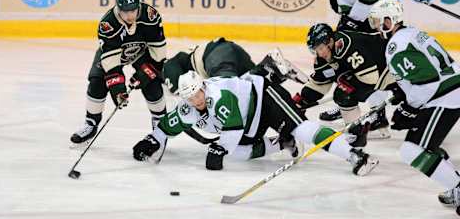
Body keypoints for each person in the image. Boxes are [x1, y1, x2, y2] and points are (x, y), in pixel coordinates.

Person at [132, 70, 379, 176]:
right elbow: (167, 126)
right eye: (189, 97)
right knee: (237, 154)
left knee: (301, 128)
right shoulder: (189, 106)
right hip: (248, 117)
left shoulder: (219, 97)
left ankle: (356, 156)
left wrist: (219, 147)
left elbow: (233, 128)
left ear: (203, 87)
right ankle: (282, 143)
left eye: (197, 93)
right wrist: (152, 139)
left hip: (264, 96)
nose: (195, 100)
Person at [369, 0, 460, 215]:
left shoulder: (395, 46)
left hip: (445, 97)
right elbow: (421, 74)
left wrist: (409, 108)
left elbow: (427, 80)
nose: (378, 27)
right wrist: (403, 93)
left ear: (391, 20)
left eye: (380, 21)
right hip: (447, 91)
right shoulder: (411, 33)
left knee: (412, 150)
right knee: (423, 145)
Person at [70, 0, 167, 144]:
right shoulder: (107, 24)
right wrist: (118, 90)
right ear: (118, 8)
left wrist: (147, 72)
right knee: (97, 80)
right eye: (125, 11)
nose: (130, 15)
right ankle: (91, 123)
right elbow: (111, 62)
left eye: (133, 10)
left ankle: (160, 124)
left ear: (138, 6)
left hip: (142, 53)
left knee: (152, 81)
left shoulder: (150, 16)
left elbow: (158, 52)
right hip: (115, 55)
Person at [293, 23, 396, 142]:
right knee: (343, 94)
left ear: (330, 42)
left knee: (343, 94)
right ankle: (356, 132)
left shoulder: (347, 46)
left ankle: (360, 131)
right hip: (381, 73)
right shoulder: (323, 57)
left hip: (391, 68)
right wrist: (302, 100)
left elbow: (371, 78)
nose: (320, 53)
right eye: (316, 50)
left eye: (321, 48)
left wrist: (346, 81)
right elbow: (320, 83)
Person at [163, 38, 306, 95]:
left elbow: (188, 101)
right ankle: (274, 72)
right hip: (228, 51)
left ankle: (269, 65)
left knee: (227, 90)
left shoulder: (169, 67)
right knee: (255, 90)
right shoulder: (178, 62)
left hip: (215, 58)